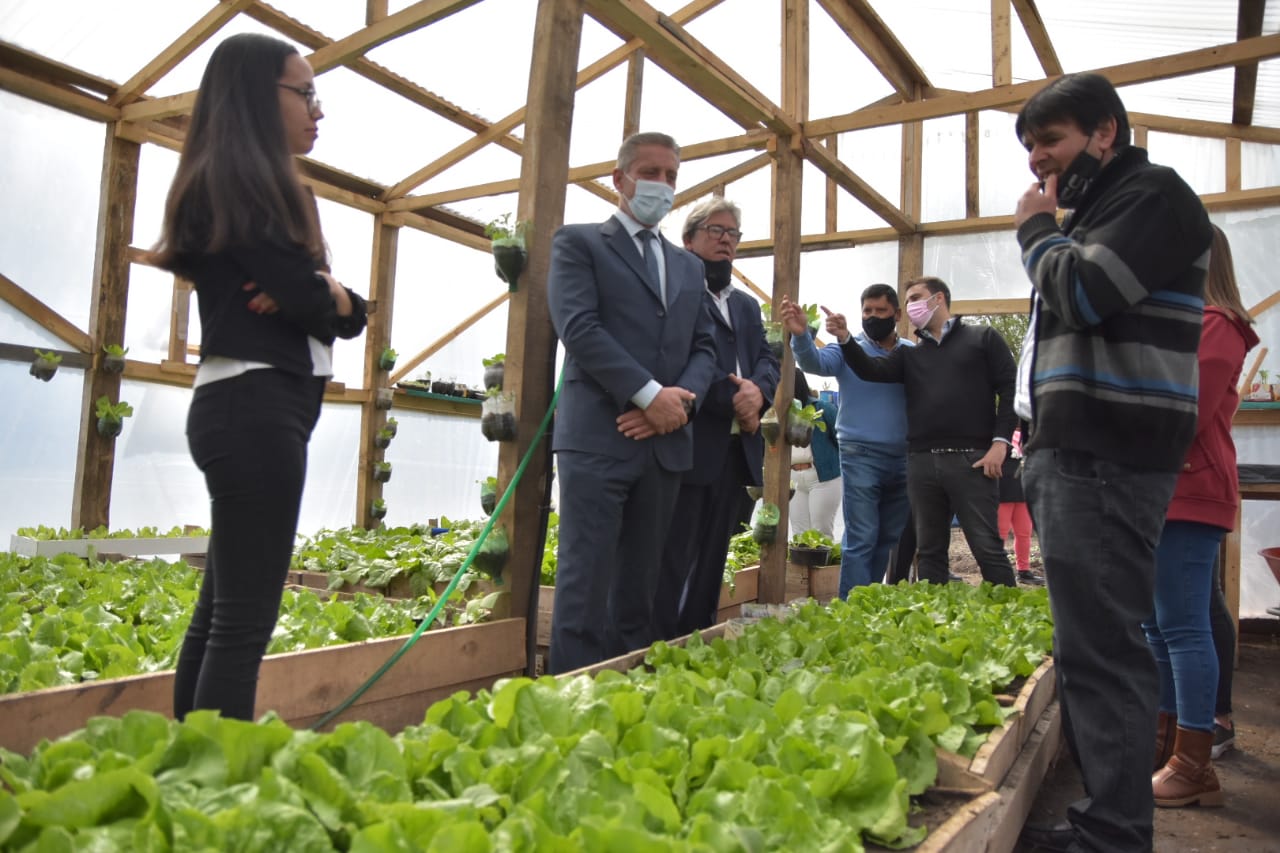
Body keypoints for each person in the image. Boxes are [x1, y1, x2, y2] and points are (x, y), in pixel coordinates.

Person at [1011, 72, 1213, 853]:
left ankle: (1115, 834)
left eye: (1050, 143)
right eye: (1031, 151)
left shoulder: (1153, 197)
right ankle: (1112, 821)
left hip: (1106, 453)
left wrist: (1036, 232)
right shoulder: (1098, 210)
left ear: (1105, 133)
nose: (1039, 165)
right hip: (1081, 450)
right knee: (1091, 643)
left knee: (1102, 647)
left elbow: (1086, 292)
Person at [152, 34, 367, 720]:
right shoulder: (239, 185)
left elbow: (341, 310)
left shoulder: (247, 187)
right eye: (302, 93)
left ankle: (190, 771)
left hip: (249, 405)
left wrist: (326, 293)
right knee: (244, 623)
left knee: (222, 612)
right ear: (254, 94)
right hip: (255, 407)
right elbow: (311, 300)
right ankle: (218, 797)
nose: (317, 110)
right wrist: (322, 295)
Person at [547, 132, 718, 673]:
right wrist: (649, 396)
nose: (662, 185)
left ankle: (626, 695)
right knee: (585, 583)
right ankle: (569, 699)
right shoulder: (579, 243)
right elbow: (580, 328)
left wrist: (679, 406)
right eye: (651, 173)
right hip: (600, 436)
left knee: (641, 588)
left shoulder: (687, 265)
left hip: (665, 443)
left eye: (671, 175)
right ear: (620, 180)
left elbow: (705, 347)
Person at [1144, 225, 1257, 808]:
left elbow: (1183, 412)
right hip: (1162, 490)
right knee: (1158, 625)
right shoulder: (1187, 326)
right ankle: (1167, 744)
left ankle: (1195, 762)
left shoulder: (1216, 326)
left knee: (1184, 625)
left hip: (1190, 489)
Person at [814, 278, 1020, 588]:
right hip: (921, 464)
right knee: (930, 553)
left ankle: (1010, 620)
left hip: (973, 460)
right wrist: (845, 339)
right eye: (908, 300)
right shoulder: (913, 354)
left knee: (986, 546)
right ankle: (932, 619)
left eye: (916, 298)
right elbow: (873, 371)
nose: (912, 306)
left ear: (938, 298)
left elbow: (1010, 387)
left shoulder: (982, 338)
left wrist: (1000, 442)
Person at [652, 197, 778, 641]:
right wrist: (737, 399)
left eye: (733, 234)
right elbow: (679, 363)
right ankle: (661, 643)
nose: (726, 241)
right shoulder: (676, 294)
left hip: (735, 447)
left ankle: (698, 637)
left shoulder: (744, 304)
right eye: (716, 231)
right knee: (675, 552)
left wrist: (759, 392)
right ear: (689, 240)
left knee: (714, 555)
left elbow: (765, 356)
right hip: (691, 441)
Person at [780, 284, 912, 597]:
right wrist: (801, 335)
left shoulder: (910, 352)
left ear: (897, 314)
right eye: (867, 311)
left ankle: (870, 601)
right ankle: (850, 607)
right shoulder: (844, 349)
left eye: (881, 311)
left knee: (889, 536)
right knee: (862, 534)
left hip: (904, 457)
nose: (873, 316)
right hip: (860, 454)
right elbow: (814, 363)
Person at [787, 369, 840, 539]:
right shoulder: (780, 413)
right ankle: (801, 566)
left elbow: (842, 440)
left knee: (821, 533)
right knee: (799, 535)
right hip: (794, 478)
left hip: (823, 477)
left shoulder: (822, 409)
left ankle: (824, 566)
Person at [998, 427, 1034, 577]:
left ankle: (1024, 570)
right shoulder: (1000, 438)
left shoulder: (1030, 436)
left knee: (1024, 532)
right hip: (1003, 491)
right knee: (1001, 532)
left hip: (1023, 492)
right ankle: (998, 569)